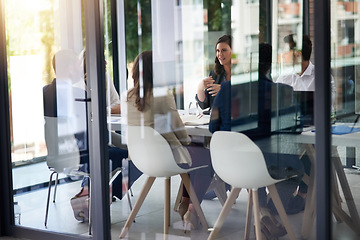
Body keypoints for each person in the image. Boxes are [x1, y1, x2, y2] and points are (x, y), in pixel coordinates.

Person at [209, 43, 305, 238]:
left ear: (247, 64)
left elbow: (213, 128)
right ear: (269, 67)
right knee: (296, 169)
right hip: (263, 168)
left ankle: (262, 211)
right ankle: (270, 209)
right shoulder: (281, 91)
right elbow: (296, 129)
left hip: (229, 166)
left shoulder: (226, 88)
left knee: (259, 160)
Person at [124, 51, 214, 229]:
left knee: (192, 154)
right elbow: (179, 132)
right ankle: (191, 210)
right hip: (167, 158)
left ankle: (185, 203)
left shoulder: (128, 96)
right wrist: (188, 140)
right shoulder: (162, 94)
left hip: (142, 159)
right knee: (207, 157)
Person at [44, 49, 140, 203]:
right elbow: (92, 133)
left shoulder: (46, 92)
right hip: (80, 153)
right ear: (69, 68)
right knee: (134, 154)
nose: (80, 67)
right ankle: (105, 193)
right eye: (77, 65)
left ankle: (94, 190)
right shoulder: (77, 95)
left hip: (56, 154)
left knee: (121, 149)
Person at [276, 35, 335, 214]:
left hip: (313, 131)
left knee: (311, 147)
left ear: (297, 54)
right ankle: (279, 195)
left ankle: (302, 194)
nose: (283, 55)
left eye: (286, 50)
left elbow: (327, 107)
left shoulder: (322, 76)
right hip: (289, 131)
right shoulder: (284, 77)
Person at [196, 35, 232, 111]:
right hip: (217, 120)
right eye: (218, 51)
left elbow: (245, 96)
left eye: (224, 50)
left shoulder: (241, 73)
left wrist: (224, 89)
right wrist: (200, 88)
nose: (220, 54)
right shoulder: (214, 74)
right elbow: (204, 105)